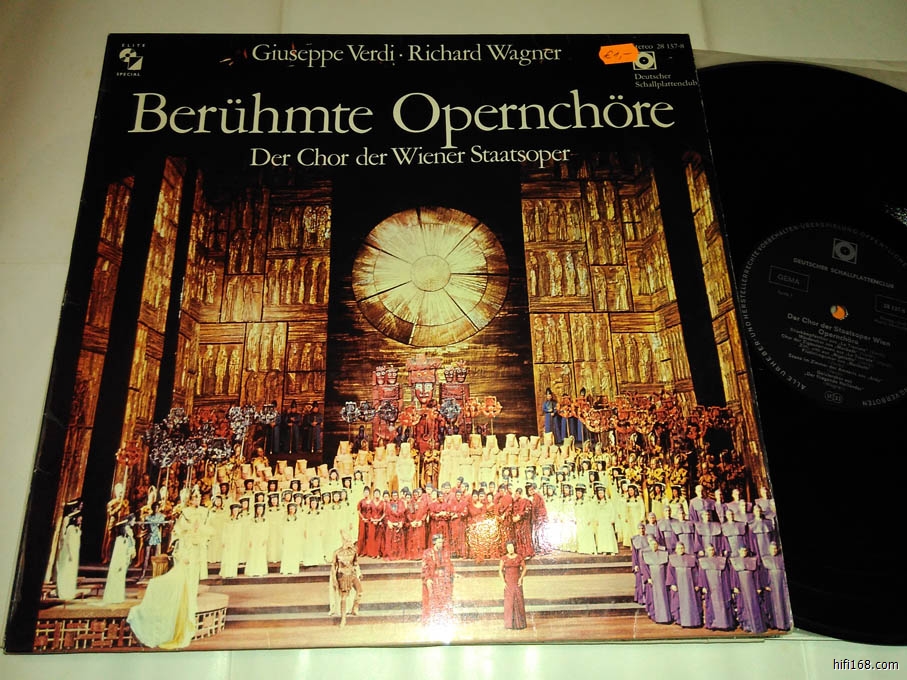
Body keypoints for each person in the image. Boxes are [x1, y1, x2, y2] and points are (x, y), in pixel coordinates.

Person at [329, 532, 363, 627]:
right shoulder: (337, 552)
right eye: (348, 541)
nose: (350, 543)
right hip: (342, 576)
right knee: (344, 598)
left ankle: (355, 607)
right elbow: (333, 567)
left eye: (350, 541)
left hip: (352, 574)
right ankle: (343, 619)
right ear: (343, 541)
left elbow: (355, 563)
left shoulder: (353, 551)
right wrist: (334, 579)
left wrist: (359, 572)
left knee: (360, 591)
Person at [421, 533, 455, 625]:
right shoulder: (428, 553)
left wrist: (452, 573)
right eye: (439, 542)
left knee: (445, 598)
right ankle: (432, 619)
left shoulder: (445, 552)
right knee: (433, 599)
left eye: (442, 542)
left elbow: (449, 564)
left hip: (444, 579)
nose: (441, 544)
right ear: (434, 542)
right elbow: (425, 567)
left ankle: (445, 619)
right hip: (433, 578)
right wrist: (427, 578)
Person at [102, 515, 136, 604]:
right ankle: (114, 596)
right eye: (133, 520)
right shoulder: (121, 540)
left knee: (121, 577)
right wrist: (121, 563)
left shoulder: (126, 539)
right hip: (120, 561)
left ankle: (118, 596)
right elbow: (120, 553)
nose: (134, 522)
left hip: (125, 559)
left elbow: (131, 545)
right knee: (117, 576)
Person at [499, 540, 527, 630]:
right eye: (508, 547)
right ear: (506, 548)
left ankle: (520, 624)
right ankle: (509, 624)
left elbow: (525, 568)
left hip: (517, 581)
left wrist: (521, 578)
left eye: (511, 547)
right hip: (508, 582)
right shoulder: (504, 558)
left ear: (514, 547)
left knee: (518, 600)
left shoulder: (519, 557)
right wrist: (503, 582)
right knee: (509, 602)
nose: (510, 549)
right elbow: (500, 570)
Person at [55, 511, 83, 600]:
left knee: (72, 572)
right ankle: (63, 591)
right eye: (79, 519)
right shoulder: (70, 528)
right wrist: (70, 553)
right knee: (66, 570)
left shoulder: (77, 529)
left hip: (75, 552)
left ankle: (69, 591)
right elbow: (68, 542)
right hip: (68, 552)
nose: (80, 521)